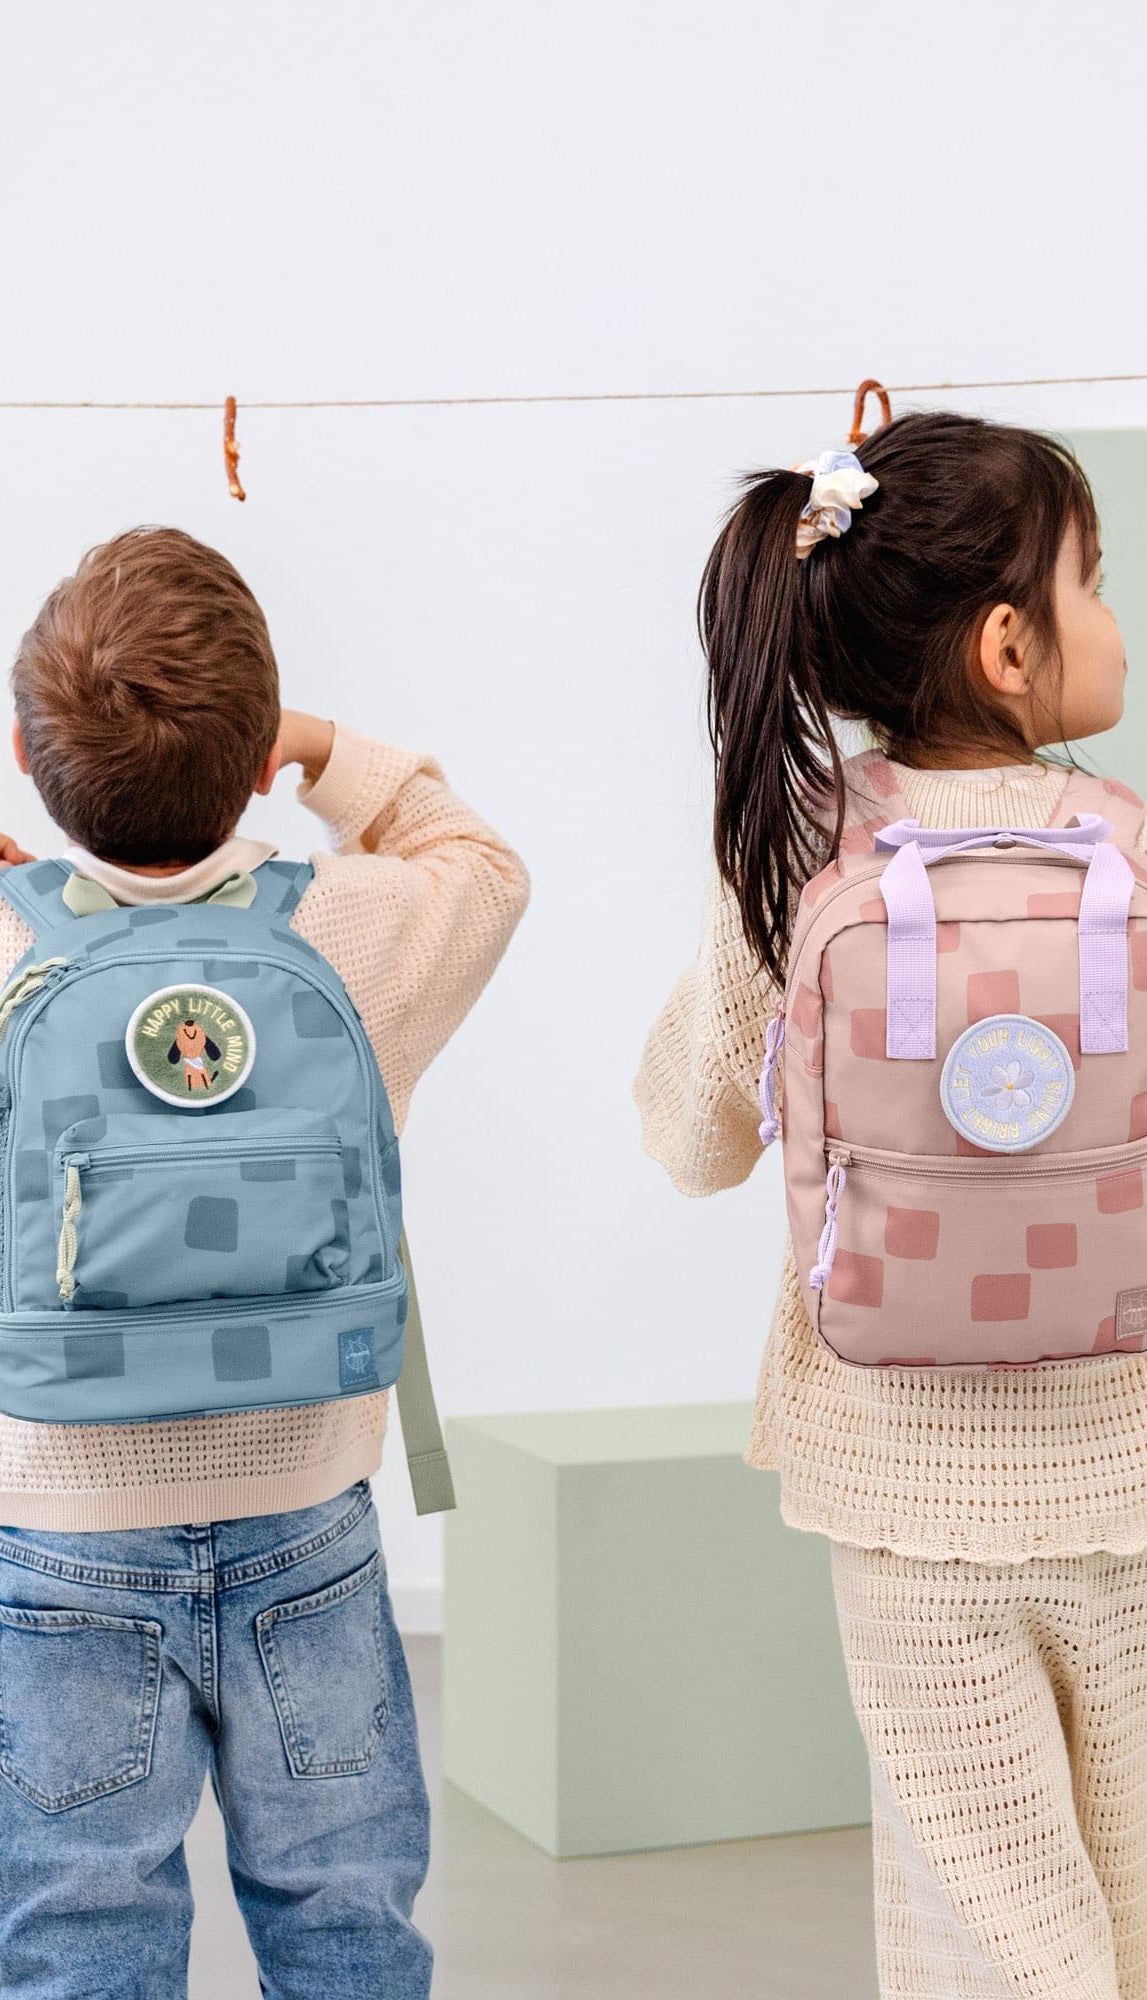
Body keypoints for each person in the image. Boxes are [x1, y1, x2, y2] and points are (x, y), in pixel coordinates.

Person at [635, 412, 1147, 1995]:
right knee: (1114, 1897)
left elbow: (697, 1137)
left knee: (987, 1913)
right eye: (1094, 582)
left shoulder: (796, 849)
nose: (1115, 618)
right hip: (1118, 1448)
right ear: (1008, 645)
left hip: (897, 1474)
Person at [0, 527, 529, 1992]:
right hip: (307, 1509)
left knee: (79, 1937)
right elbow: (482, 863)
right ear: (253, 765)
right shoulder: (357, 929)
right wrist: (327, 749)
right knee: (345, 1918)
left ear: (30, 760)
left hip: (61, 1521)